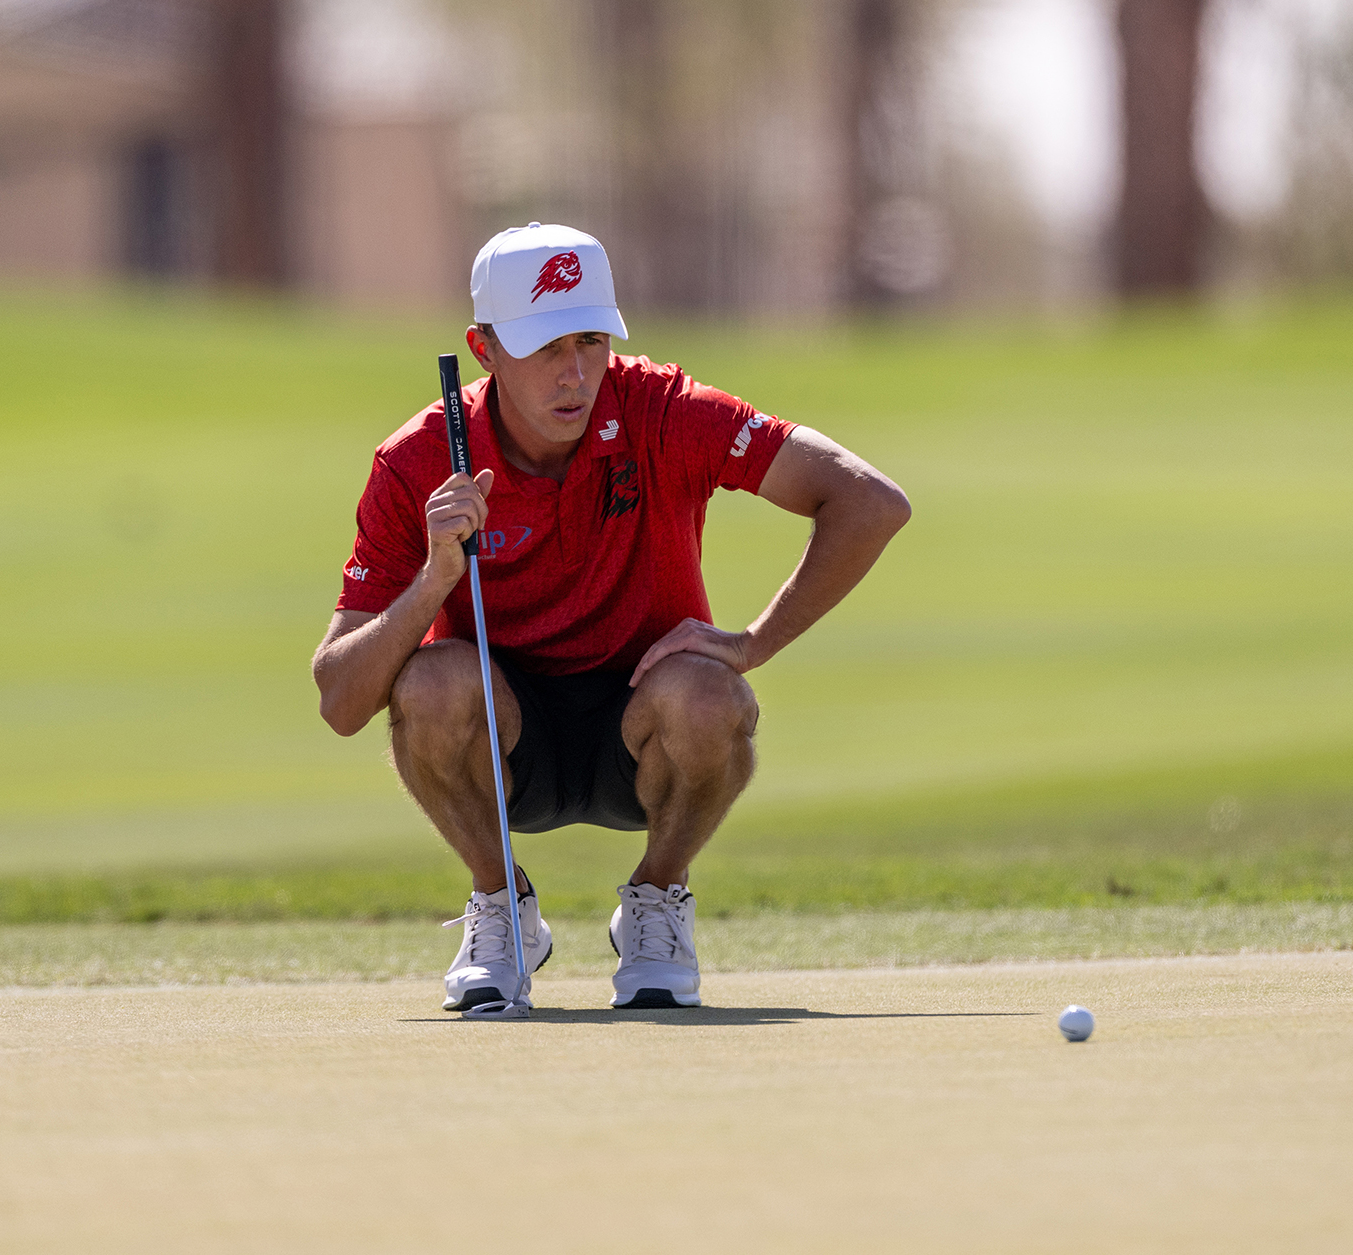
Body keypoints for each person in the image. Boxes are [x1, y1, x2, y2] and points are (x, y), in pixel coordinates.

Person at [312, 222, 909, 1010]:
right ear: (483, 348)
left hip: (646, 726)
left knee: (710, 695)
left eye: (591, 340)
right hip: (503, 746)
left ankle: (657, 902)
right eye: (545, 345)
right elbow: (340, 700)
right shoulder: (421, 459)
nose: (575, 372)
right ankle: (501, 909)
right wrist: (431, 582)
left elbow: (869, 501)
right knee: (431, 682)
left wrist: (754, 642)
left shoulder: (662, 408)